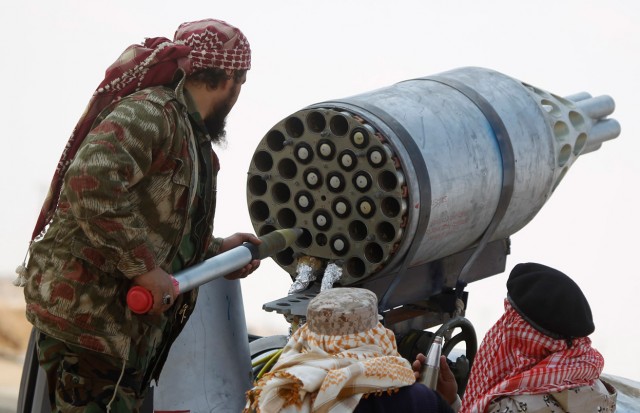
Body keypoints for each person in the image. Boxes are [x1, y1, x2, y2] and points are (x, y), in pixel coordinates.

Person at [15, 18, 261, 412]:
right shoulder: (153, 115)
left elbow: (160, 229)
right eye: (242, 83)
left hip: (115, 331)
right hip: (92, 325)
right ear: (229, 77)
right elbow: (89, 183)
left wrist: (216, 252)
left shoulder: (186, 132)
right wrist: (143, 269)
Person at [244, 287, 460, 412]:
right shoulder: (415, 401)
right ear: (377, 332)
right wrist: (446, 401)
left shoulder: (274, 394)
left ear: (307, 336)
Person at [460, 262, 617, 413]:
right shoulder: (595, 387)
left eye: (509, 320)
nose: (500, 330)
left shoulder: (510, 407)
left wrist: (445, 402)